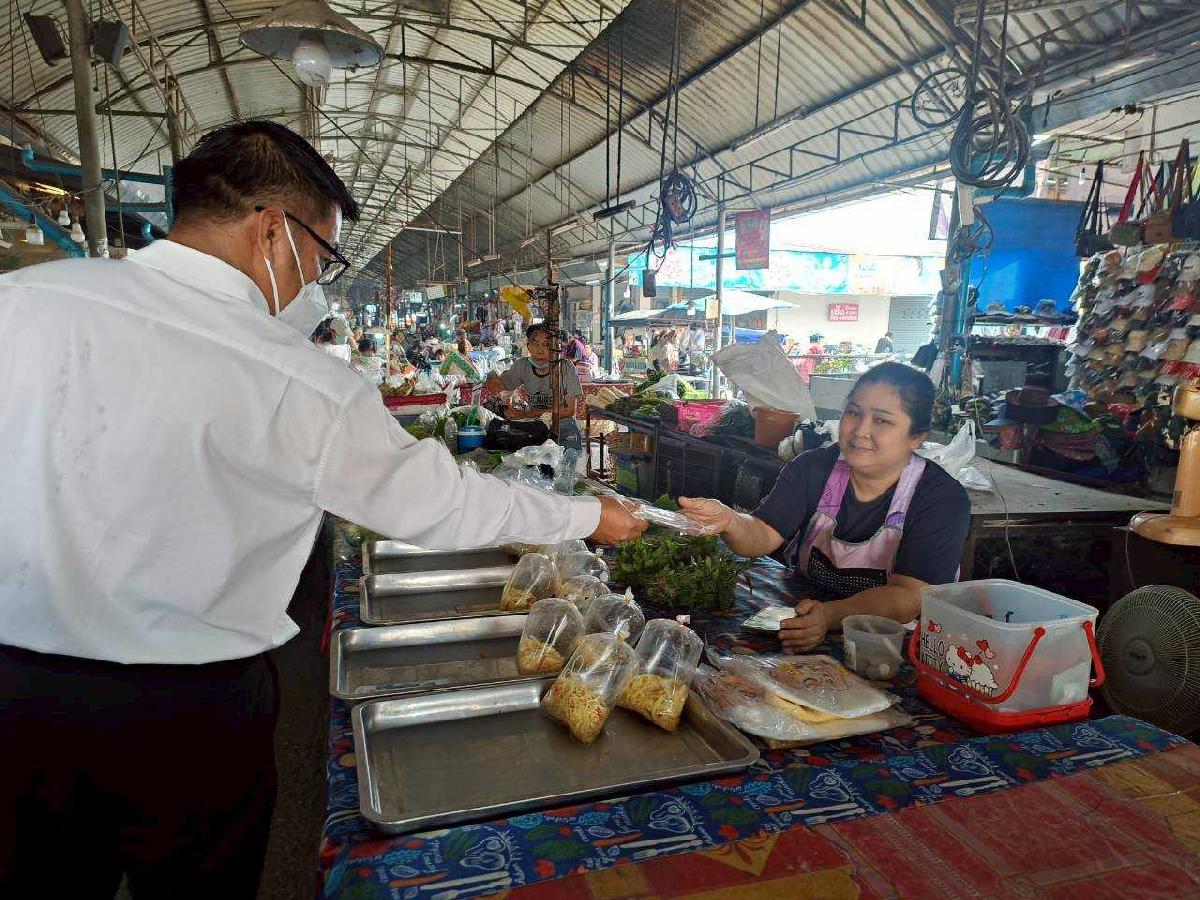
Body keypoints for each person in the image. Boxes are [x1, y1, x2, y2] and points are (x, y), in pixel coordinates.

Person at [0, 119, 646, 898]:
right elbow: (435, 503)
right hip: (187, 715)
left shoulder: (22, 303)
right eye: (321, 256)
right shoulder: (295, 377)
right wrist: (585, 516)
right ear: (271, 228)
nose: (315, 281)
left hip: (14, 701)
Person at [678, 363, 969, 652]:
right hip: (805, 620)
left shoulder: (940, 498)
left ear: (917, 437)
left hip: (889, 644)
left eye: (881, 421)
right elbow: (763, 533)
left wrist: (829, 616)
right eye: (853, 413)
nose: (860, 431)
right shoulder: (813, 468)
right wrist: (730, 521)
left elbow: (907, 598)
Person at [486, 322, 582, 421]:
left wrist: (526, 414)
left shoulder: (566, 368)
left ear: (556, 347)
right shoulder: (522, 365)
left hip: (562, 425)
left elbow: (569, 410)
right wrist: (491, 376)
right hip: (534, 422)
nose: (540, 349)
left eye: (546, 344)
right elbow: (500, 388)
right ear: (529, 347)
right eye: (536, 344)